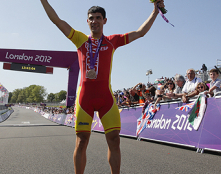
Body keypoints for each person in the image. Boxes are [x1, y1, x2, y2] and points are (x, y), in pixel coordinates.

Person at [40, 1, 165, 173]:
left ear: (104, 21)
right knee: (82, 141)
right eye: (91, 18)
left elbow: (140, 33)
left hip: (106, 98)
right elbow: (57, 20)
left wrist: (155, 12)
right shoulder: (80, 39)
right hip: (85, 98)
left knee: (114, 140)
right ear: (87, 21)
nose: (94, 21)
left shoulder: (112, 41)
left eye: (98, 18)